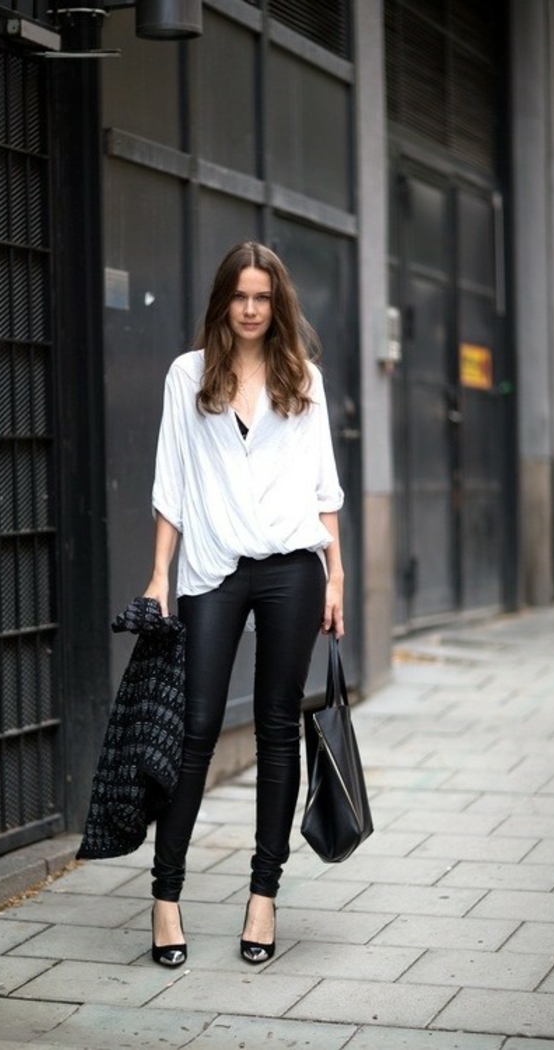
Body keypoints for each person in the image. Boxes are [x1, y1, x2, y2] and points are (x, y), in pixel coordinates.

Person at [143, 240, 344, 967]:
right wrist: (159, 574)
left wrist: (338, 576)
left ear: (277, 302)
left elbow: (325, 489)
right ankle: (166, 898)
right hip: (213, 568)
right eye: (241, 296)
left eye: (263, 297)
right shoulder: (187, 377)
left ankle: (264, 895)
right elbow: (171, 482)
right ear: (223, 301)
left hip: (294, 566)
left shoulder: (304, 380)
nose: (252, 309)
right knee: (195, 729)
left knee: (276, 729)